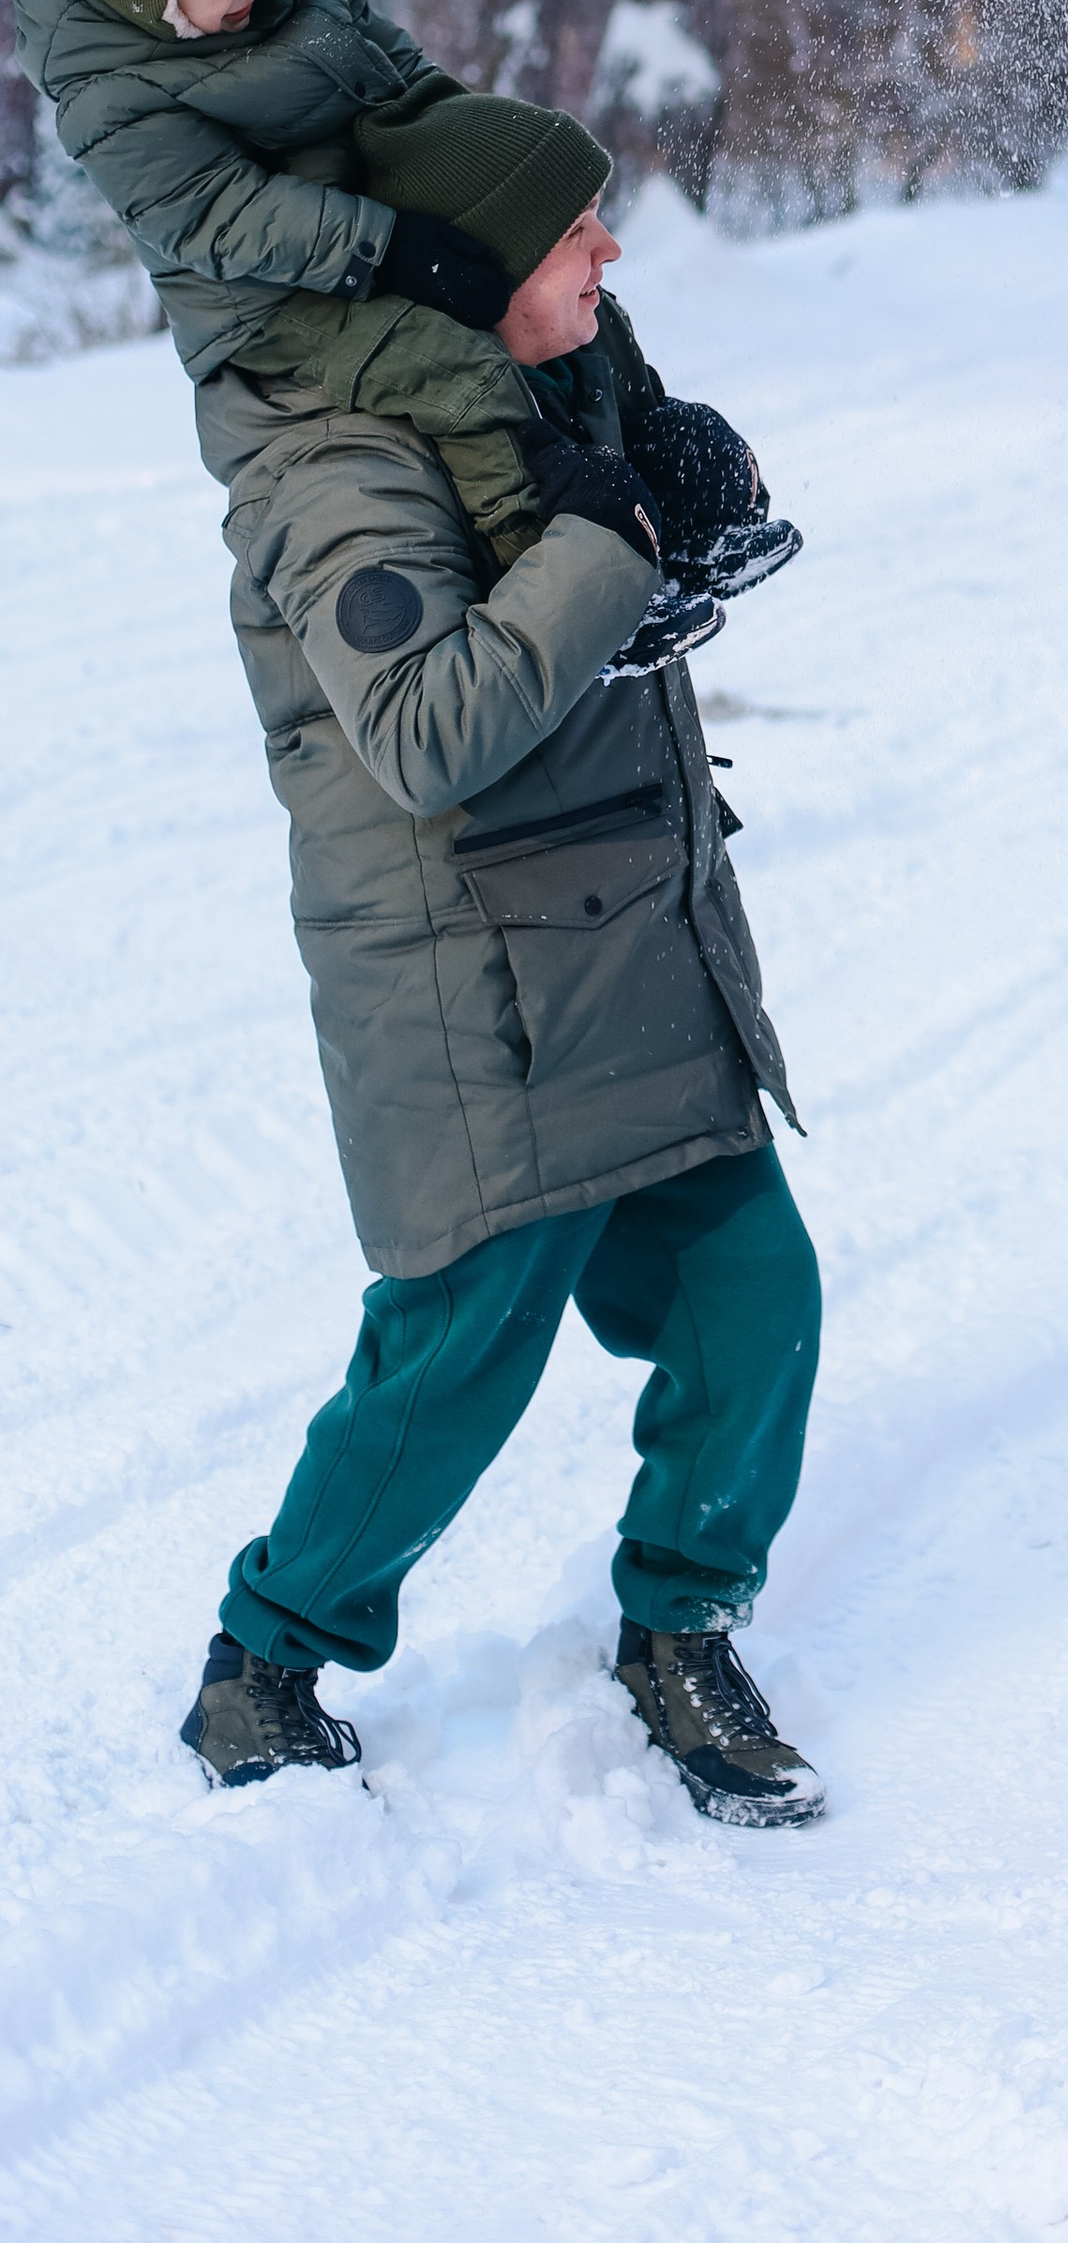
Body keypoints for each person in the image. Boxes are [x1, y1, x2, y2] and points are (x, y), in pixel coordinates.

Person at [176, 98, 827, 1826]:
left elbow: (601, 606)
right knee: (452, 1367)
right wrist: (606, 546)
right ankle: (267, 1660)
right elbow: (425, 724)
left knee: (754, 1301)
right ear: (471, 273)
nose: (613, 254)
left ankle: (681, 1624)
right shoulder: (340, 466)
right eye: (573, 234)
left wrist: (675, 503)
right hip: (478, 994)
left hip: (627, 953)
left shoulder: (544, 395)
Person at [7, 0, 799, 665]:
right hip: (269, 302)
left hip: (373, 209)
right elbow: (215, 219)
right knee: (450, 363)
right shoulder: (110, 97)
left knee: (551, 272)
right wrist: (386, 248)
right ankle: (555, 564)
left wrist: (489, 166)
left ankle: (661, 466)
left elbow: (389, 65)